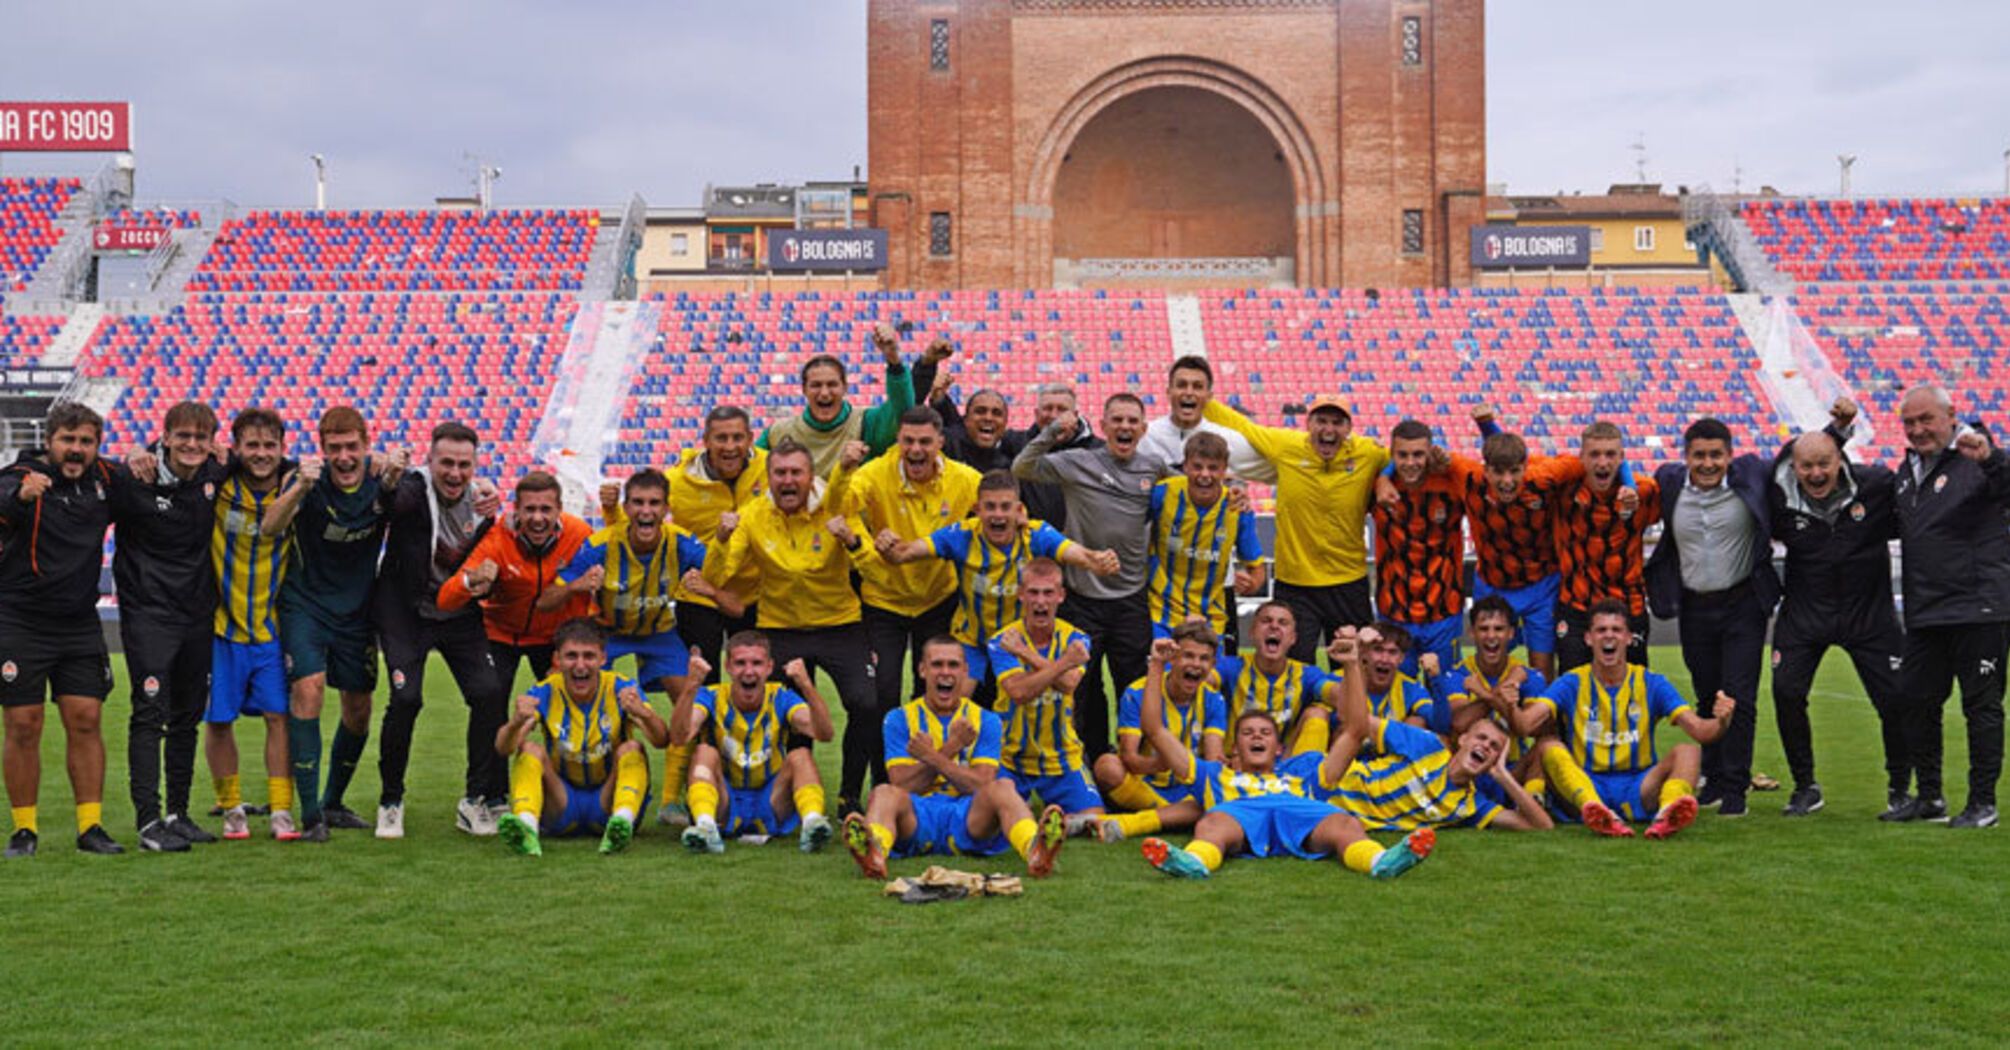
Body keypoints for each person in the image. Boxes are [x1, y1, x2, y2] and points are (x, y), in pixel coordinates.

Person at [1133, 637, 1437, 882]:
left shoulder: (1304, 773)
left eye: (1265, 733)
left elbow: (1356, 731)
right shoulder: (1214, 775)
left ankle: (1380, 861)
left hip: (1301, 811)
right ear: (1235, 748)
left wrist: (1352, 664)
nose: (1256, 737)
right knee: (1213, 821)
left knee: (1344, 822)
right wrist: (1158, 664)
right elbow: (1155, 729)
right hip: (1239, 813)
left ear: (1279, 748)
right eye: (1248, 733)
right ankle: (1194, 862)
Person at [701, 439, 876, 811]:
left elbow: (871, 566)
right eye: (780, 473)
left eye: (796, 472)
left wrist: (853, 541)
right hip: (780, 628)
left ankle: (849, 795)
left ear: (811, 476)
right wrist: (719, 540)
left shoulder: (834, 506)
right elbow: (719, 574)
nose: (788, 480)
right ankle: (795, 797)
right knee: (784, 714)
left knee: (865, 703)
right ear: (768, 478)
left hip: (839, 624)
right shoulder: (752, 515)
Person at [264, 405, 403, 842]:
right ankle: (311, 816)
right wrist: (300, 489)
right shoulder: (306, 481)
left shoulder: (383, 481)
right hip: (305, 604)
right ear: (322, 450)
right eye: (335, 449)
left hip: (358, 611)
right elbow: (270, 527)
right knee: (309, 689)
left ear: (366, 444)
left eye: (352, 447)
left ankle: (333, 802)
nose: (344, 457)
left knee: (359, 709)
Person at [1766, 403, 1909, 818]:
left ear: (1840, 459)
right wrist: (1834, 428)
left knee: (1896, 699)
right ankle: (1805, 786)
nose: (1815, 473)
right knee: (1787, 692)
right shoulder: (1781, 501)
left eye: (1824, 463)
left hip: (1870, 616)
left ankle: (1901, 787)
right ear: (1794, 467)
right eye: (1806, 465)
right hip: (1805, 616)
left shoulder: (1876, 485)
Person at [371, 422, 508, 839]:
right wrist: (390, 477)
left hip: (458, 612)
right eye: (446, 463)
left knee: (489, 693)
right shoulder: (414, 489)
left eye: (463, 465)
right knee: (406, 699)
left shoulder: (483, 504)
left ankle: (475, 799)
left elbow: (492, 559)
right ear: (429, 462)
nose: (454, 473)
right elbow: (393, 503)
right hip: (404, 612)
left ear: (475, 466)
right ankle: (390, 800)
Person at [1013, 392, 1168, 761]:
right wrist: (1051, 430)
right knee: (1080, 688)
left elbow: (1191, 490)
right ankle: (1090, 765)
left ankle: (1138, 769)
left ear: (1144, 429)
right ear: (1102, 426)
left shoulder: (1154, 468)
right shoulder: (1077, 462)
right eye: (1117, 420)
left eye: (1133, 421)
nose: (1125, 427)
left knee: (1135, 688)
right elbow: (1022, 466)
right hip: (1082, 599)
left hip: (1131, 601)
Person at [836, 406, 981, 801]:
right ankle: (863, 792)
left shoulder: (965, 480)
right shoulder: (872, 474)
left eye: (924, 442)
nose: (915, 450)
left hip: (937, 601)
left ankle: (926, 788)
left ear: (940, 443)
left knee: (931, 696)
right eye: (908, 441)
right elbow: (839, 514)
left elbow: (994, 514)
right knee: (878, 700)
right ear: (898, 441)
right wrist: (868, 544)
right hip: (883, 603)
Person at [0, 402, 124, 857]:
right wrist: (19, 497)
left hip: (78, 624)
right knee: (22, 724)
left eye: (86, 442)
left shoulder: (105, 481)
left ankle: (90, 826)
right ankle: (24, 830)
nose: (76, 450)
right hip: (20, 621)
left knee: (86, 720)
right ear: (50, 442)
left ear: (96, 445)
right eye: (68, 441)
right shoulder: (21, 475)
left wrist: (150, 456)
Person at [875, 470, 1118, 696]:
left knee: (1032, 707)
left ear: (1019, 510)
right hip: (972, 641)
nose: (998, 515)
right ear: (977, 509)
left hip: (1018, 642)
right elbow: (903, 554)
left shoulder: (1036, 534)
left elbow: (1078, 554)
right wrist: (887, 546)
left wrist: (1097, 561)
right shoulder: (961, 535)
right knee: (951, 706)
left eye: (1005, 507)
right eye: (990, 507)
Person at [843, 636, 1069, 879]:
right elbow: (903, 785)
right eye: (937, 664)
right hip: (918, 817)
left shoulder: (986, 720)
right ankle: (874, 853)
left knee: (1003, 787)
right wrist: (952, 748)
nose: (945, 672)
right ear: (922, 670)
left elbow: (981, 785)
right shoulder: (898, 719)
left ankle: (1036, 851)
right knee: (884, 793)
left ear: (965, 671)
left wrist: (933, 755)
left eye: (953, 665)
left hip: (969, 816)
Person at [109, 401, 230, 852]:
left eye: (201, 437)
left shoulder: (214, 472)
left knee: (187, 717)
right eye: (184, 436)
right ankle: (148, 821)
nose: (192, 445)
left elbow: (269, 459)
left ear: (213, 442)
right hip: (149, 616)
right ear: (165, 437)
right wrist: (131, 456)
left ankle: (177, 813)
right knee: (150, 712)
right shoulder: (131, 478)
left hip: (197, 614)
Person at [1887, 385, 2010, 828]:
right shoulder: (1906, 472)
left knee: (1981, 706)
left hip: (1978, 606)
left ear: (1951, 415)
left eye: (1927, 419)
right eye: (1910, 422)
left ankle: (1983, 803)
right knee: (1914, 700)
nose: (1918, 430)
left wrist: (1993, 457)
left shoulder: (1978, 456)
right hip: (1926, 610)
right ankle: (1930, 796)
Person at [1647, 417, 1778, 818]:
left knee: (1738, 696)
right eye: (1699, 455)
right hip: (1694, 606)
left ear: (1729, 455)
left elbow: (1798, 459)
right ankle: (1714, 778)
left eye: (1716, 455)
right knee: (1706, 695)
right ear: (1685, 457)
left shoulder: (1752, 475)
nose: (1708, 463)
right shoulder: (1668, 483)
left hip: (1743, 604)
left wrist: (1839, 428)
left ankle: (1737, 787)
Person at [1524, 600, 1737, 840]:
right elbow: (1525, 724)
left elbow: (1701, 731)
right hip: (1585, 783)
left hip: (1639, 787)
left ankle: (1666, 813)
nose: (1609, 636)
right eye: (1601, 630)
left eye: (1616, 630)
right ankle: (1596, 810)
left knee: (1688, 751)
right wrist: (1504, 701)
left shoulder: (1651, 683)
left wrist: (1721, 721)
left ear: (1628, 638)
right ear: (1588, 638)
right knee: (1547, 745)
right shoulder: (1571, 682)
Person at [1203, 394, 1388, 663]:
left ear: (1348, 429)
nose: (1328, 429)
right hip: (1296, 585)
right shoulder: (1287, 446)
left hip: (1348, 582)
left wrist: (1385, 479)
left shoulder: (1369, 453)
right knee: (1293, 669)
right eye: (1321, 420)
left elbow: (1399, 460)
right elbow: (1244, 427)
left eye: (1337, 422)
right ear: (1308, 424)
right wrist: (1203, 401)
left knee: (1355, 669)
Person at [1323, 626, 1554, 833]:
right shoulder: (1428, 746)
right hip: (1325, 781)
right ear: (1462, 740)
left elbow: (1543, 826)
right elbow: (1353, 721)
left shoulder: (1470, 806)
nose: (1485, 745)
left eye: (1494, 747)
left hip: (1333, 815)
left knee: (1341, 836)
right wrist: (1353, 662)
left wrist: (1503, 776)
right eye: (1482, 738)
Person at [659, 405, 767, 827]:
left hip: (753, 596)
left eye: (737, 437)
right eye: (720, 438)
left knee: (755, 689)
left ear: (750, 439)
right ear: (705, 440)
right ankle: (681, 792)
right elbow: (644, 513)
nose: (730, 446)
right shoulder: (677, 482)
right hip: (699, 597)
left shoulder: (767, 469)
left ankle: (755, 781)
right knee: (698, 691)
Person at [494, 618, 670, 856]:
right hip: (561, 802)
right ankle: (527, 827)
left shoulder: (621, 688)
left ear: (602, 659)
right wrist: (515, 722)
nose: (580, 665)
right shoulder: (545, 690)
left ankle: (622, 822)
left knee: (632, 747)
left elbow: (661, 740)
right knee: (529, 749)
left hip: (607, 801)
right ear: (557, 659)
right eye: (571, 656)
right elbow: (503, 748)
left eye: (588, 656)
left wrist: (643, 714)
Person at [202, 408, 298, 841]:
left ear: (282, 449)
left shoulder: (297, 486)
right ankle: (232, 807)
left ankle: (281, 810)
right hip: (222, 629)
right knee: (218, 720)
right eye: (252, 446)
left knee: (280, 717)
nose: (261, 454)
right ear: (236, 448)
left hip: (271, 630)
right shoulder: (218, 483)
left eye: (269, 446)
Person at [548, 468, 713, 704]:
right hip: (607, 632)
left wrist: (712, 585)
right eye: (638, 502)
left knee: (690, 701)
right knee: (570, 692)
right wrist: (576, 585)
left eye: (654, 503)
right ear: (626, 508)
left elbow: (720, 574)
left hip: (660, 632)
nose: (646, 510)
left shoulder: (682, 543)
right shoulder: (600, 545)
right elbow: (547, 600)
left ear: (666, 508)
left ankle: (683, 741)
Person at [1465, 407, 1599, 680]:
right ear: (1486, 470)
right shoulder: (1467, 476)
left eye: (1515, 471)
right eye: (1498, 473)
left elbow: (1596, 457)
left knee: (1542, 672)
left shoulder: (1546, 475)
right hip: (1493, 584)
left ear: (1526, 468)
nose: (1507, 480)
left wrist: (1629, 484)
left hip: (1542, 585)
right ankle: (1488, 722)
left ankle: (1540, 721)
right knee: (1489, 667)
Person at [671, 633, 836, 854]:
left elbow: (824, 733)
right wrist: (691, 685)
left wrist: (806, 685)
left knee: (800, 755)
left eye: (757, 663)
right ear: (727, 666)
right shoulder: (710, 696)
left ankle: (813, 824)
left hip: (772, 800)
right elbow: (680, 737)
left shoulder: (781, 696)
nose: (749, 671)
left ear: (769, 667)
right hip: (724, 801)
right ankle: (705, 827)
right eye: (740, 663)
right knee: (704, 752)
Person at [986, 558, 1105, 820]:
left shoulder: (1076, 637)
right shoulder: (1001, 640)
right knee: (1001, 816)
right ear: (1020, 595)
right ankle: (1030, 815)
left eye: (1048, 592)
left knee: (1095, 817)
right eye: (1033, 592)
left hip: (1061, 757)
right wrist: (1063, 662)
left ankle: (1054, 822)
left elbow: (1068, 683)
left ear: (1061, 596)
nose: (1041, 601)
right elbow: (1018, 692)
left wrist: (1023, 653)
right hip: (1010, 758)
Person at [1090, 621, 1228, 842]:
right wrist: (1160, 764)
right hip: (1148, 785)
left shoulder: (1214, 700)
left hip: (1189, 790)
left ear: (1213, 664)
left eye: (1204, 658)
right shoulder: (1137, 692)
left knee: (1218, 788)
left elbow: (1212, 763)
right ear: (1172, 658)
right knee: (1107, 766)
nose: (1196, 664)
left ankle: (1147, 819)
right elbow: (1129, 758)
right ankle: (1176, 815)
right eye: (1188, 655)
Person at [1553, 421, 1658, 673]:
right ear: (1581, 458)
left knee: (1634, 693)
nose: (1602, 463)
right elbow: (1522, 465)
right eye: (1594, 454)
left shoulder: (1645, 492)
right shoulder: (1563, 490)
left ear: (1622, 457)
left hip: (1628, 607)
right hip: (1577, 608)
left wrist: (1629, 483)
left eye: (1610, 454)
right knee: (1572, 693)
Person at [1371, 420, 1472, 676]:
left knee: (1447, 694)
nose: (1410, 462)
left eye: (1418, 454)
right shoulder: (1376, 486)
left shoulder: (1450, 483)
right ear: (1391, 455)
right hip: (1394, 612)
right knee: (1399, 695)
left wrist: (1449, 459)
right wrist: (1383, 476)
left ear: (1430, 453)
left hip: (1443, 612)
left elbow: (1481, 473)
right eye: (1402, 455)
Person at [1143, 432, 1267, 640]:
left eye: (1213, 468)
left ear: (1224, 470)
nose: (1205, 474)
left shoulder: (1237, 509)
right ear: (1185, 466)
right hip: (1160, 613)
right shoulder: (1162, 494)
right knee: (1160, 672)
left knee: (1205, 673)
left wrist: (1251, 584)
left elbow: (1257, 568)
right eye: (1198, 466)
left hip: (1211, 619)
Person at [757, 323, 915, 478]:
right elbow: (750, 466)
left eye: (832, 385)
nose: (824, 393)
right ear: (804, 390)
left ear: (845, 387)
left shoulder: (866, 423)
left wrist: (894, 361)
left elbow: (902, 411)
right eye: (816, 385)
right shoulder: (778, 433)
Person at [1413, 597, 1549, 770]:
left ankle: (1534, 795)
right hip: (1469, 770)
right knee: (1442, 741)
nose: (1491, 636)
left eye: (1499, 629)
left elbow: (1530, 728)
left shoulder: (1530, 676)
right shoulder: (1457, 674)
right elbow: (1459, 724)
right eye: (1483, 629)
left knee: (1548, 744)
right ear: (1472, 633)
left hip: (1513, 769)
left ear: (1511, 633)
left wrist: (1484, 693)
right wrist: (1503, 689)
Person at [1211, 601, 1342, 743]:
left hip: (1286, 761)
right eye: (1266, 621)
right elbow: (1197, 684)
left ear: (1293, 638)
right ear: (1251, 633)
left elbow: (1343, 701)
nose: (1274, 626)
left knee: (1317, 714)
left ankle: (1305, 766)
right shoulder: (1230, 667)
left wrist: (1352, 663)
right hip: (1235, 760)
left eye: (1283, 623)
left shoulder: (1306, 675)